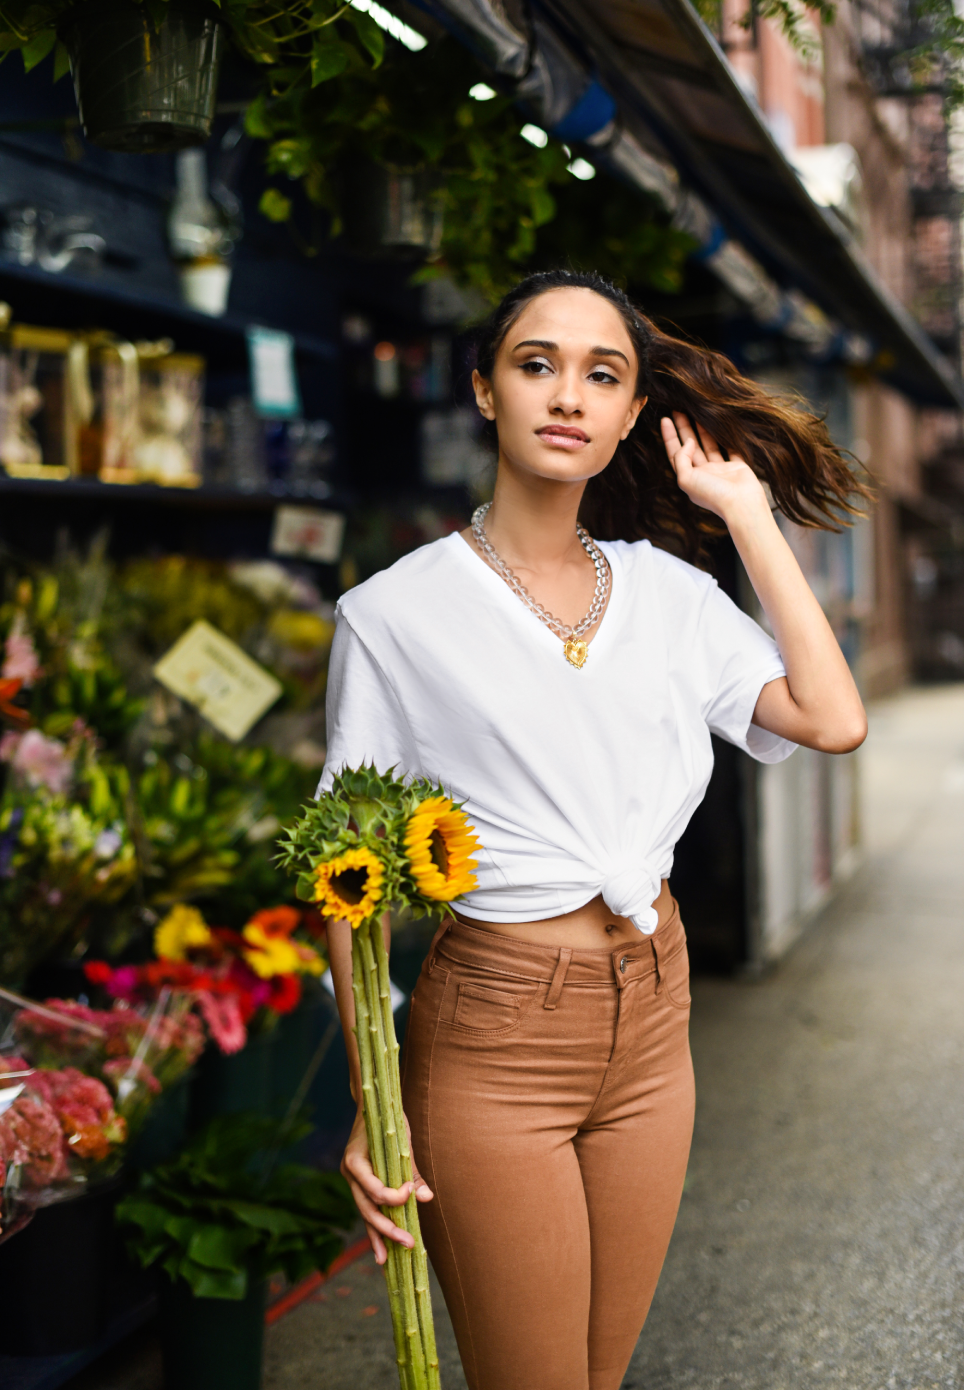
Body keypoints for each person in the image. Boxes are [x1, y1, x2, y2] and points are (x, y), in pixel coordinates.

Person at [320, 269, 868, 1390]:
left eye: (601, 375)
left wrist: (750, 516)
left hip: (653, 1018)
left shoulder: (666, 591)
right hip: (494, 1039)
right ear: (484, 391)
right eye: (536, 364)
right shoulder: (390, 614)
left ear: (629, 418)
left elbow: (832, 715)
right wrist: (373, 1095)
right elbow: (351, 871)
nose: (567, 395)